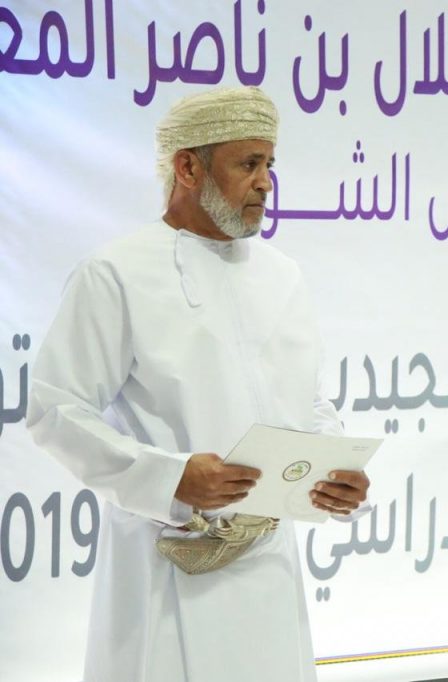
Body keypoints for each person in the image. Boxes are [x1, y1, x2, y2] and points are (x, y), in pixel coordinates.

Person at [26, 86, 369, 682]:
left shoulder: (283, 275)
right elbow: (55, 410)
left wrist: (335, 471)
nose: (265, 183)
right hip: (166, 564)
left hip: (270, 566)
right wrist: (170, 478)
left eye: (270, 164)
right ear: (188, 168)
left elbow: (310, 402)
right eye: (248, 164)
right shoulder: (116, 273)